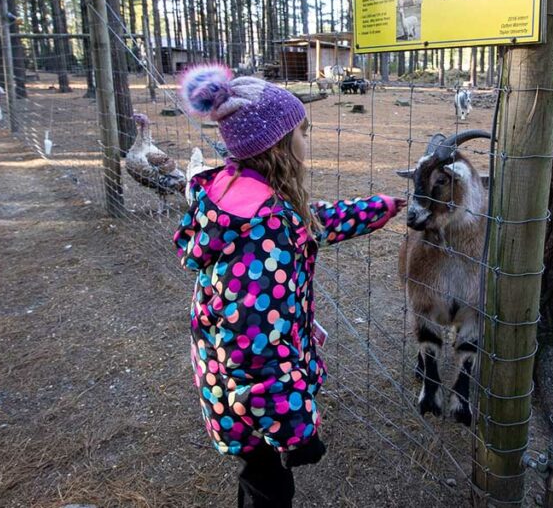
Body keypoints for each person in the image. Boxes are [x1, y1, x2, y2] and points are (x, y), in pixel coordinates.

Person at [173, 65, 404, 507]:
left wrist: (380, 207)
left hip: (229, 391)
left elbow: (310, 222)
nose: (306, 141)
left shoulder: (240, 195)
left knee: (258, 479)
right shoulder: (264, 234)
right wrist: (294, 431)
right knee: (271, 489)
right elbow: (253, 348)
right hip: (253, 405)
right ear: (278, 147)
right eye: (302, 132)